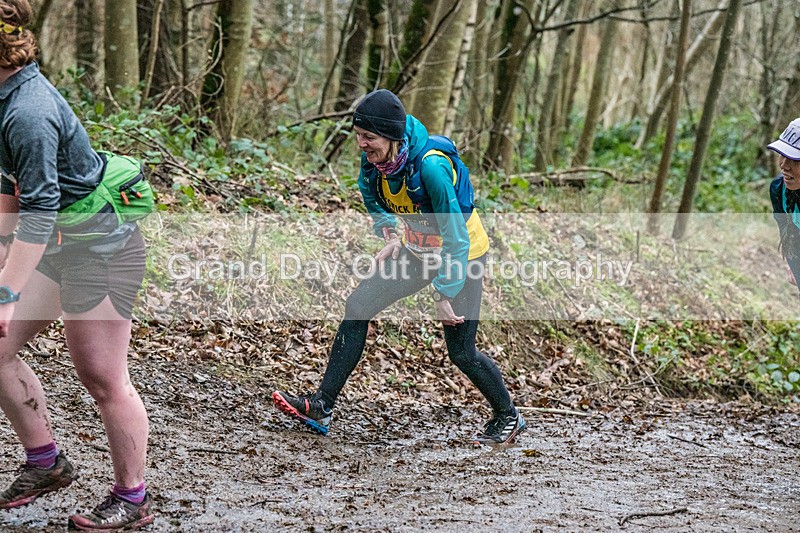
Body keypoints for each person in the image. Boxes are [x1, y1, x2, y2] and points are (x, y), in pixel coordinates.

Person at [273, 89, 526, 446]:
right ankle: (322, 406)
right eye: (358, 135)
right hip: (416, 251)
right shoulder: (376, 163)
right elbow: (369, 194)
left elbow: (456, 239)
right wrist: (390, 232)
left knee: (461, 352)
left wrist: (443, 293)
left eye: (369, 137)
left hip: (463, 256)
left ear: (392, 137)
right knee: (358, 306)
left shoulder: (431, 168)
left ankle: (508, 415)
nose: (361, 144)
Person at [0, 1, 154, 529]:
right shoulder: (5, 102)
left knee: (101, 375)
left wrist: (7, 293)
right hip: (55, 246)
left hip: (101, 250)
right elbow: (10, 189)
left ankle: (132, 497)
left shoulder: (29, 112)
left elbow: (40, 208)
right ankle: (46, 463)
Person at [767, 117, 800, 291]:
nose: (784, 165)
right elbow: (787, 232)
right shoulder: (779, 189)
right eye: (783, 155)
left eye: (795, 160)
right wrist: (793, 264)